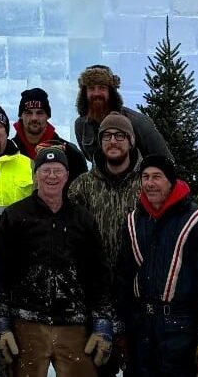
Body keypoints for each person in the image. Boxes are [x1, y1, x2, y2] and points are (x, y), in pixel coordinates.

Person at [0, 144, 114, 377]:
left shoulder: (83, 219)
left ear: (67, 176)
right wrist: (1, 321)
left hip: (75, 325)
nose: (51, 176)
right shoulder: (15, 216)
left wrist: (102, 321)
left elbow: (99, 274)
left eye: (57, 170)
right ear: (35, 175)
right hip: (26, 324)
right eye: (45, 170)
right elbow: (1, 272)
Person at [115, 155, 198, 377]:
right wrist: (120, 324)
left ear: (171, 181)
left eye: (157, 177)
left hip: (181, 330)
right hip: (141, 328)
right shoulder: (134, 221)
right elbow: (123, 278)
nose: (149, 183)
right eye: (145, 177)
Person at [67, 113, 143, 377]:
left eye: (120, 136)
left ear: (131, 141)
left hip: (138, 298)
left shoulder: (148, 184)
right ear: (99, 143)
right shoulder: (82, 187)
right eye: (107, 136)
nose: (113, 141)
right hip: (93, 300)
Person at [74, 65, 170, 166]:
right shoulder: (81, 125)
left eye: (102, 88)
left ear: (111, 92)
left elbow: (166, 162)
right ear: (84, 93)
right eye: (91, 88)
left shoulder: (138, 123)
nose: (96, 93)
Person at [10, 88, 88, 180]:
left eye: (40, 113)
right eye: (28, 113)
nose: (34, 118)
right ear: (20, 116)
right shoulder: (8, 154)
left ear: (48, 116)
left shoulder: (72, 155)